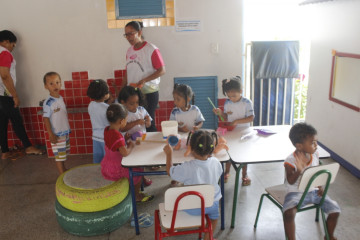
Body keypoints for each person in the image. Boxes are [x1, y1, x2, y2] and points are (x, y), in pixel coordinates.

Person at [283, 123, 340, 240]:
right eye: (312, 143)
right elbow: (290, 181)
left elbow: (315, 173)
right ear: (299, 146)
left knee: (335, 210)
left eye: (316, 141)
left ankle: (329, 236)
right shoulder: (290, 160)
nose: (316, 145)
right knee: (288, 214)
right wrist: (299, 170)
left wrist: (319, 187)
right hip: (295, 193)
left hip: (313, 191)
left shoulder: (315, 155)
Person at [163, 130, 222, 240]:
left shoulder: (187, 167)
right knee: (214, 218)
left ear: (191, 148)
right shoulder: (216, 162)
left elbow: (170, 172)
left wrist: (169, 154)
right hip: (212, 204)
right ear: (212, 148)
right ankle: (208, 236)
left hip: (191, 207)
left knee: (175, 196)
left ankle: (174, 225)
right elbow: (218, 174)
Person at [0, 30, 43, 160]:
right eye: (13, 45)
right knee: (16, 120)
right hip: (5, 93)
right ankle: (28, 146)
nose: (13, 48)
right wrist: (15, 96)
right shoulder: (4, 53)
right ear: (6, 42)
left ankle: (5, 152)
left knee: (2, 122)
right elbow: (5, 75)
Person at [101, 103, 153, 203]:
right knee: (139, 170)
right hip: (117, 168)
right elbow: (125, 153)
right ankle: (137, 195)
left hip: (107, 164)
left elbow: (114, 145)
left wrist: (124, 139)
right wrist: (131, 146)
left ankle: (134, 191)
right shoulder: (117, 136)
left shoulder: (107, 130)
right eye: (126, 120)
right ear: (122, 121)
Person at [123, 21, 165, 132]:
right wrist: (122, 90)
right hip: (133, 94)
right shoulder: (129, 51)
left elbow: (162, 70)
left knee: (148, 123)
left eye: (131, 33)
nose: (128, 37)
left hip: (148, 93)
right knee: (134, 123)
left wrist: (144, 80)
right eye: (126, 34)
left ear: (140, 32)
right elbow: (127, 72)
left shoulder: (151, 49)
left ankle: (152, 148)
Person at [213, 76, 254, 185]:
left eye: (234, 95)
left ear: (241, 91)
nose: (232, 98)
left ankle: (245, 174)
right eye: (229, 96)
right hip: (231, 132)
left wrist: (236, 121)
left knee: (244, 154)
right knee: (228, 151)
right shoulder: (227, 103)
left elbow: (251, 118)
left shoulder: (247, 102)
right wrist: (220, 113)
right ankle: (227, 172)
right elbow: (226, 117)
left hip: (244, 132)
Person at [118, 85, 152, 186]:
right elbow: (122, 128)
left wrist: (147, 121)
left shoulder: (141, 110)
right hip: (129, 141)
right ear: (123, 102)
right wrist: (136, 122)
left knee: (142, 159)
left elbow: (149, 125)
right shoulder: (123, 113)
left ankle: (142, 176)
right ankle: (134, 177)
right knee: (133, 160)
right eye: (131, 103)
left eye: (137, 102)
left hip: (142, 139)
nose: (135, 106)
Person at [42, 72, 71, 174]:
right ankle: (61, 174)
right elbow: (45, 118)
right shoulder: (48, 102)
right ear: (46, 86)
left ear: (61, 83)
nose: (55, 85)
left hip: (64, 132)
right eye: (51, 83)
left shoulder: (60, 98)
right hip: (56, 134)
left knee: (62, 154)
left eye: (57, 82)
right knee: (59, 156)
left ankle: (63, 169)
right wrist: (51, 134)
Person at [87, 79, 110, 163]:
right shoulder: (107, 108)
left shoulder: (90, 105)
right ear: (104, 95)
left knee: (97, 160)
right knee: (107, 160)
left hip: (95, 137)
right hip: (106, 138)